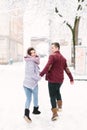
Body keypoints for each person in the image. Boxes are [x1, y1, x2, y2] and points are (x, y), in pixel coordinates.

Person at [40, 42, 74, 121]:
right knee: (57, 91)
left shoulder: (52, 56)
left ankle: (55, 114)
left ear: (57, 48)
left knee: (52, 96)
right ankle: (60, 106)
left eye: (53, 47)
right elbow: (67, 69)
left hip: (52, 80)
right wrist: (71, 78)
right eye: (51, 47)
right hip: (60, 80)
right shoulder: (63, 58)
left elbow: (47, 66)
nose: (51, 49)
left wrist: (41, 74)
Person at [23, 47, 41, 123]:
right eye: (31, 53)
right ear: (29, 54)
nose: (33, 54)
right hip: (32, 83)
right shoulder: (31, 62)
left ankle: (28, 113)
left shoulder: (30, 61)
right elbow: (31, 74)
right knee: (35, 97)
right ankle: (34, 110)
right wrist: (39, 77)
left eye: (34, 52)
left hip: (26, 83)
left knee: (28, 99)